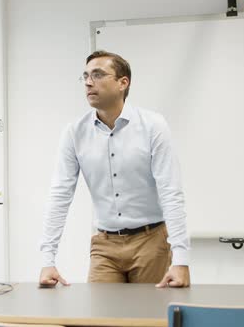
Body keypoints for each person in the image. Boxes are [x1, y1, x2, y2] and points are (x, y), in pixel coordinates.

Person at [39, 50, 190, 288]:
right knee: (98, 320)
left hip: (151, 241)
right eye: (86, 76)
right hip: (105, 244)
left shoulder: (153, 126)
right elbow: (60, 195)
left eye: (98, 74)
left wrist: (181, 260)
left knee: (148, 321)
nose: (89, 82)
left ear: (123, 83)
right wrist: (47, 260)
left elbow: (171, 192)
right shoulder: (75, 132)